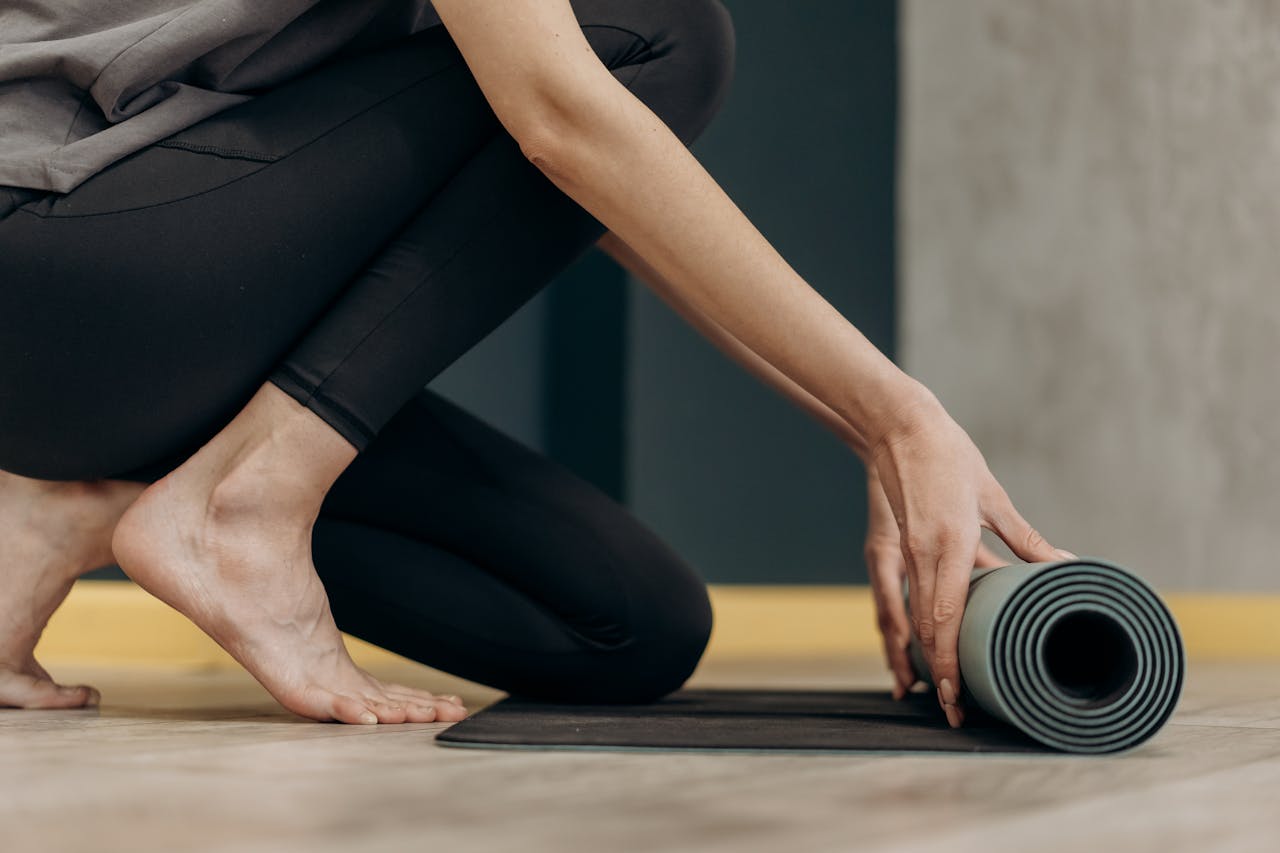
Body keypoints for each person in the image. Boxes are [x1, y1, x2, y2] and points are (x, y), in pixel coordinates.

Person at [0, 0, 1074, 728]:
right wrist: (899, 414)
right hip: (56, 261)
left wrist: (877, 442)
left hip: (114, 296)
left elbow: (572, 181)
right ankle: (240, 504)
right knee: (657, 27)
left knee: (623, 625)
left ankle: (72, 499)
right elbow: (566, 117)